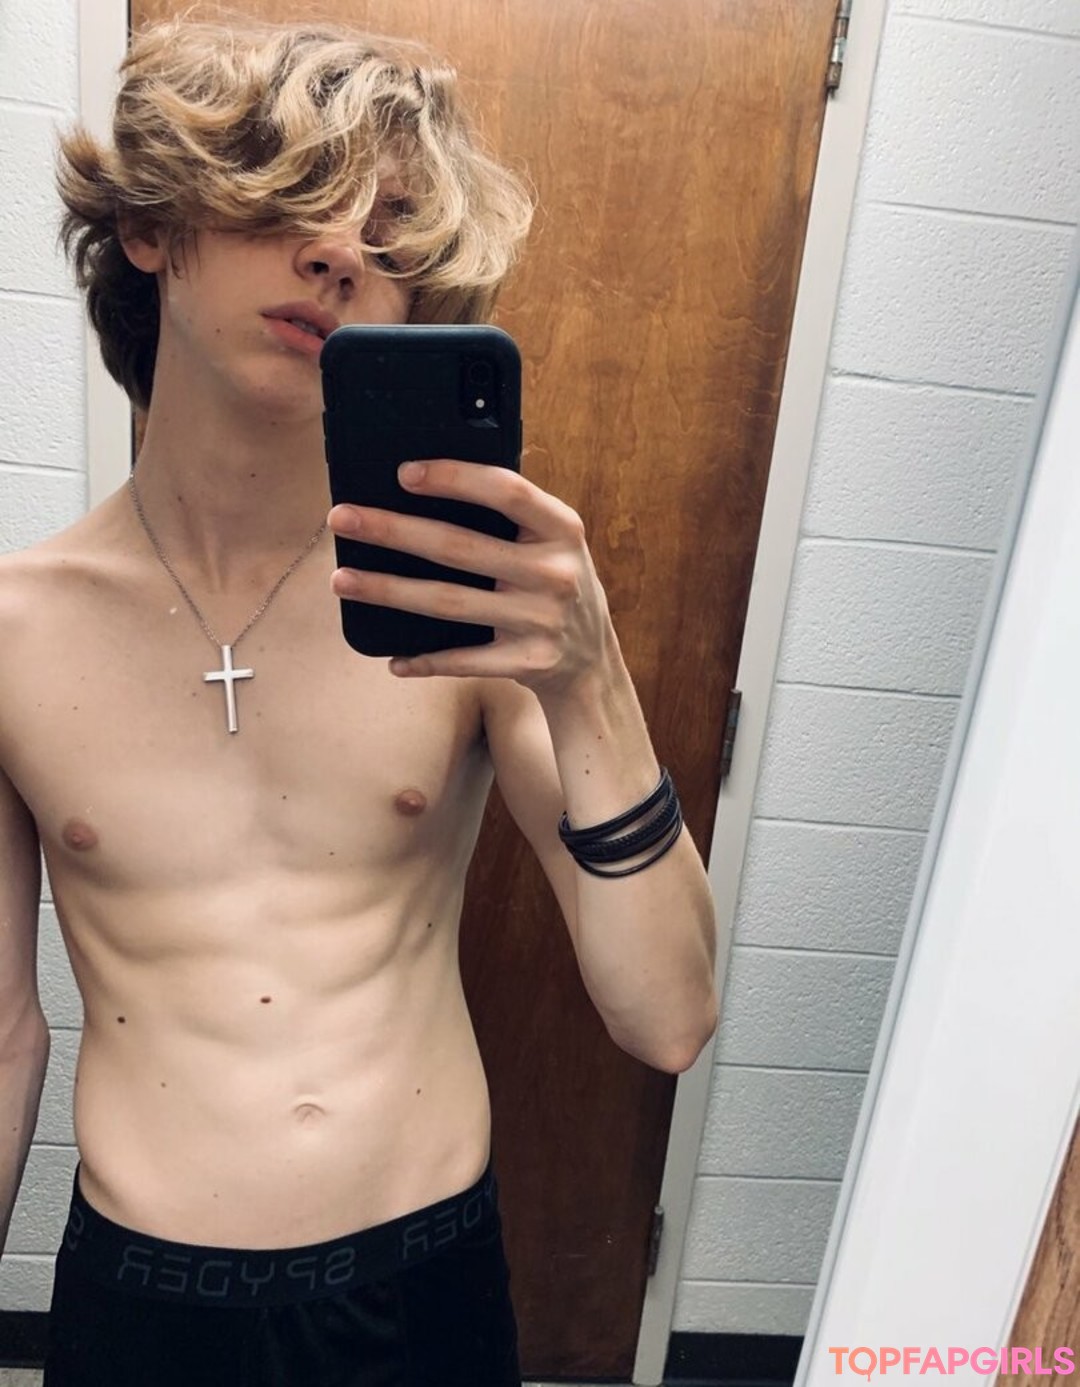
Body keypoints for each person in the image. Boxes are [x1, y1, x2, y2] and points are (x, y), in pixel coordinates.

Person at [0, 14, 719, 1386]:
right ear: (151, 227)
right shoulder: (14, 633)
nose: (340, 251)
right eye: (287, 199)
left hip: (422, 1287)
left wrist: (590, 677)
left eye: (392, 231)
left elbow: (667, 1017)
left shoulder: (476, 616)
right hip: (141, 1303)